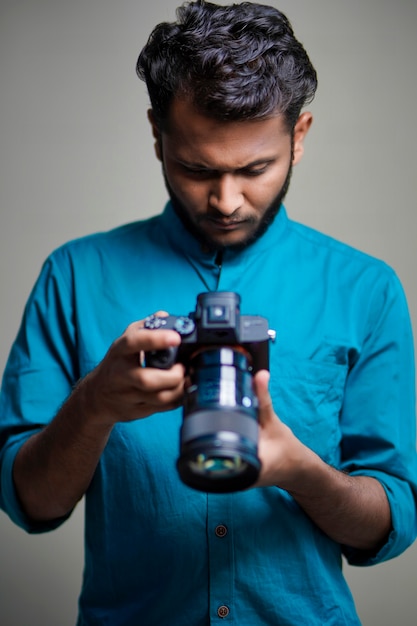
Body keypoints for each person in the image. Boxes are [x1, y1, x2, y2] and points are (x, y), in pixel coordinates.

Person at [0, 1, 416, 624]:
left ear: (298, 138)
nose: (225, 200)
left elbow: (391, 523)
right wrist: (95, 405)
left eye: (255, 169)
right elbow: (28, 503)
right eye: (196, 169)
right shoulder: (76, 275)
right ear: (155, 134)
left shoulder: (365, 289)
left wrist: (301, 471)